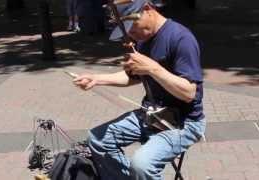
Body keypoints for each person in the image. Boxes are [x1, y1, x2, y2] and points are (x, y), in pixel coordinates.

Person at [73, 0, 206, 179]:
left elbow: (189, 93)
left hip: (183, 122)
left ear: (147, 9)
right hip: (151, 115)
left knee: (141, 165)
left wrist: (153, 68)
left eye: (132, 26)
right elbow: (133, 76)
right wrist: (97, 79)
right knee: (98, 139)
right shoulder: (143, 39)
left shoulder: (181, 38)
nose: (130, 33)